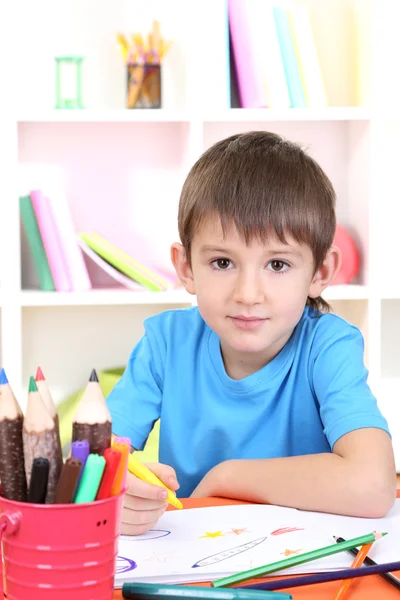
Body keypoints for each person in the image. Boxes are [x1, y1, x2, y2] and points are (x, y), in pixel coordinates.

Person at [106, 131, 396, 536]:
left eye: (277, 265)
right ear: (186, 267)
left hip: (301, 562)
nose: (247, 295)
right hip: (191, 559)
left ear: (321, 273)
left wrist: (228, 478)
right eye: (223, 262)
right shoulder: (165, 343)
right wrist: (115, 492)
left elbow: (374, 485)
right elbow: (92, 460)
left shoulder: (328, 347)